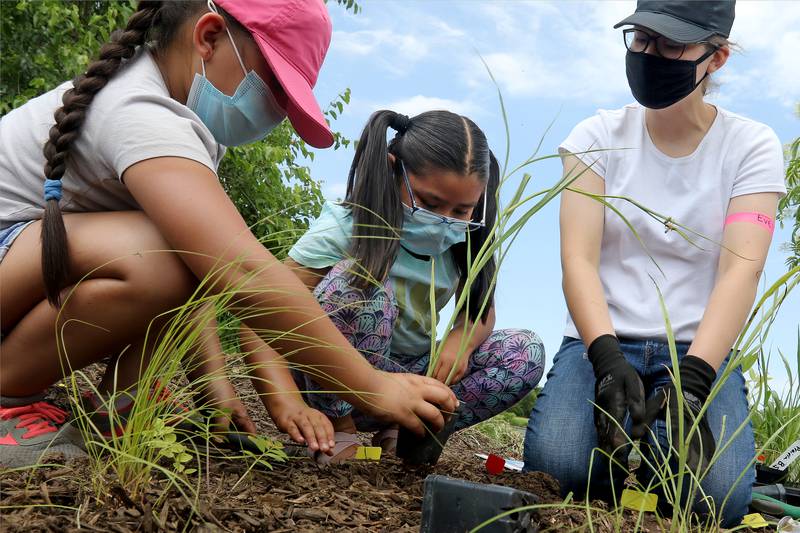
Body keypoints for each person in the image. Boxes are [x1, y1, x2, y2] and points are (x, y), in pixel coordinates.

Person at [0, 0, 457, 468]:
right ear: (209, 36)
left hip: (23, 265)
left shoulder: (186, 124)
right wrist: (371, 385)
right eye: (275, 87)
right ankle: (7, 395)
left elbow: (198, 278)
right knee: (164, 253)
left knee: (180, 250)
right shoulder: (141, 112)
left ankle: (119, 403)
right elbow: (239, 272)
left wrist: (214, 389)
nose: (276, 112)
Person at [523, 0, 786, 526]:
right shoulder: (595, 137)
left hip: (696, 349)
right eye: (642, 39)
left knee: (718, 497)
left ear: (717, 58)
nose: (651, 55)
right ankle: (623, 456)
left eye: (672, 45)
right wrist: (604, 359)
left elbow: (742, 268)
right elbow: (577, 258)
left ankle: (659, 449)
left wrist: (692, 381)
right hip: (603, 340)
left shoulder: (751, 145)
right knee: (559, 468)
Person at [286, 109, 546, 463]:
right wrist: (282, 399)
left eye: (461, 210)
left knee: (524, 351)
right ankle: (340, 424)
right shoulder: (349, 226)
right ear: (393, 170)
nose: (444, 220)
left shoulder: (462, 243)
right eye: (430, 203)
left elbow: (481, 312)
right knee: (358, 280)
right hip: (336, 376)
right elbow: (273, 303)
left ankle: (413, 426)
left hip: (410, 372)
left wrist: (461, 344)